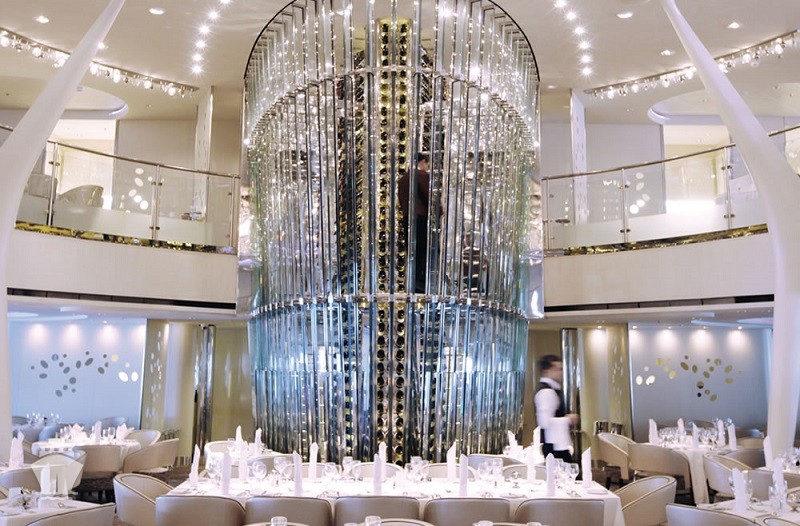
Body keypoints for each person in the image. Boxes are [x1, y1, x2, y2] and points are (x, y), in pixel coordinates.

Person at [534, 354, 579, 462]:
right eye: (558, 369)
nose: (561, 372)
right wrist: (568, 419)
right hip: (554, 447)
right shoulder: (547, 392)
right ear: (547, 371)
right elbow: (544, 422)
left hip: (556, 445)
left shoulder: (552, 389)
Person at [397, 153, 432, 292]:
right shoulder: (421, 175)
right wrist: (439, 211)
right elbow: (428, 197)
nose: (427, 167)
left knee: (411, 251)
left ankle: (412, 282)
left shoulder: (403, 179)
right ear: (422, 162)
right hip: (420, 217)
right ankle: (420, 284)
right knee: (422, 251)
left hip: (407, 217)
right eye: (427, 164)